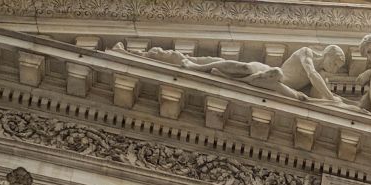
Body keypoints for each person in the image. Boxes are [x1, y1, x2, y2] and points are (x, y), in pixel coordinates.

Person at [125, 43, 347, 104]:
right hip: (269, 74)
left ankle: (212, 71)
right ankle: (196, 67)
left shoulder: (323, 78)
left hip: (276, 86)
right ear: (328, 54)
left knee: (280, 82)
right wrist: (331, 97)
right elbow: (312, 75)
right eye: (336, 63)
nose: (336, 69)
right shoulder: (306, 52)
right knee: (243, 68)